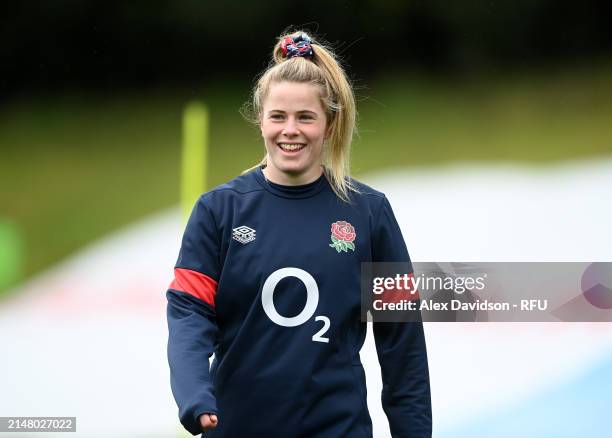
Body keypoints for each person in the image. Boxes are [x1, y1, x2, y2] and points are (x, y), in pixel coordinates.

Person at [166, 30, 432, 437]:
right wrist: (193, 393)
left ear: (329, 124)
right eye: (278, 116)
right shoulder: (218, 211)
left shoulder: (369, 212)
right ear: (261, 121)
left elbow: (402, 341)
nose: (290, 130)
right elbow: (188, 314)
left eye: (305, 117)